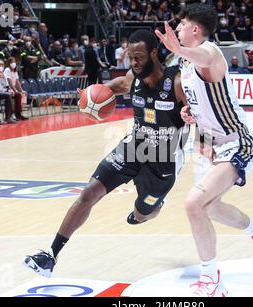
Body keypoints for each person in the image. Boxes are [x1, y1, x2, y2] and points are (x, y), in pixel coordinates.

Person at [24, 30, 189, 278]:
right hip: (134, 146)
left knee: (143, 213)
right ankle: (50, 255)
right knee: (88, 193)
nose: (134, 63)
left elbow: (201, 114)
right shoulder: (132, 78)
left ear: (154, 53)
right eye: (130, 57)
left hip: (164, 158)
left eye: (139, 57)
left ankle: (153, 207)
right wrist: (90, 97)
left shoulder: (175, 83)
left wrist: (199, 126)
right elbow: (109, 89)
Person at [155, 3, 253, 297]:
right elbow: (201, 105)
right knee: (209, 207)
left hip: (237, 142)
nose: (177, 29)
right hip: (212, 146)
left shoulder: (210, 52)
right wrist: (190, 114)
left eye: (182, 25)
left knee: (192, 204)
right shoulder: (187, 68)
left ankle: (212, 279)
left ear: (195, 29)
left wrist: (179, 48)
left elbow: (200, 56)